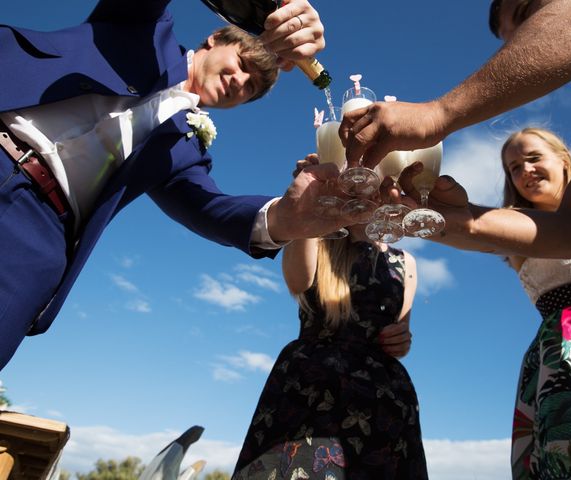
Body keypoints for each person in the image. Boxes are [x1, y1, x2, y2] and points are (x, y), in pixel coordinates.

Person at [0, 0, 344, 371]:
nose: (241, 82)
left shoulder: (186, 149)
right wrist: (270, 10)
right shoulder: (144, 27)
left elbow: (208, 207)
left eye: (252, 87)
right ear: (214, 39)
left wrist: (286, 218)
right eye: (243, 65)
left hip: (39, 233)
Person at [339, 0, 571, 260]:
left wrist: (438, 114)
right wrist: (462, 221)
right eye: (515, 42)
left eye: (527, 12)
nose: (531, 36)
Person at [441, 127, 571, 478]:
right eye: (514, 167)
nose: (525, 171)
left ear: (565, 161)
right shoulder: (521, 231)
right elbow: (472, 231)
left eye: (534, 158)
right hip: (569, 356)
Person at [232, 155, 428, 480]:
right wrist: (309, 209)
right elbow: (297, 282)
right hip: (311, 384)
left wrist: (403, 340)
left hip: (383, 397)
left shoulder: (405, 261)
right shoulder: (322, 238)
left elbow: (401, 333)